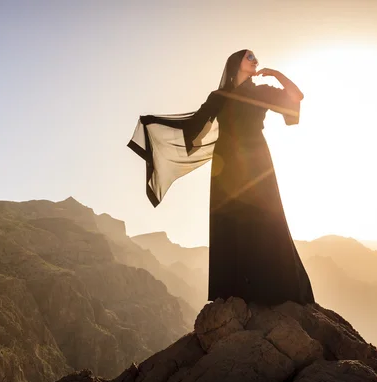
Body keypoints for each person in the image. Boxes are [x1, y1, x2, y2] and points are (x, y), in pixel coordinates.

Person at [127, 49, 315, 306]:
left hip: (256, 160)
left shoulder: (262, 91)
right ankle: (238, 289)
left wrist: (277, 74)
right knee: (231, 220)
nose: (256, 61)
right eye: (250, 57)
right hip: (227, 165)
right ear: (235, 63)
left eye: (256, 59)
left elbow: (296, 97)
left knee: (266, 216)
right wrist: (155, 124)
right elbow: (196, 125)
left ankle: (275, 287)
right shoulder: (219, 96)